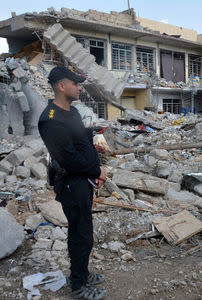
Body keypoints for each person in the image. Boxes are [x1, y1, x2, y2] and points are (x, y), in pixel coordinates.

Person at [38, 66, 108, 300]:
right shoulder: (50, 120)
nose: (79, 87)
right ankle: (79, 285)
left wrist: (95, 172)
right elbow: (69, 158)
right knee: (81, 234)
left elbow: (84, 145)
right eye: (75, 83)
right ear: (61, 86)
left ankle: (83, 273)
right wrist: (97, 170)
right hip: (71, 183)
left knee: (84, 232)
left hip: (84, 180)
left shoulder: (73, 112)